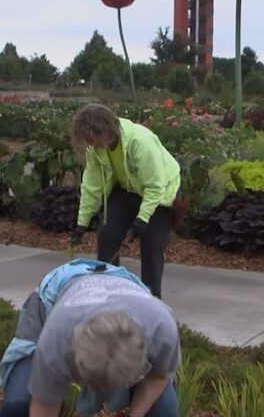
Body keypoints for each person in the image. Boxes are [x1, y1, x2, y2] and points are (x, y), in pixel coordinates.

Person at [0, 258, 180, 417]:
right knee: (17, 405)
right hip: (55, 296)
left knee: (164, 415)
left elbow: (158, 377)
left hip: (124, 287)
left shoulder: (162, 329)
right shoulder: (57, 339)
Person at [70, 104, 181, 298]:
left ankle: (152, 297)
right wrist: (82, 222)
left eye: (90, 137)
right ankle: (109, 292)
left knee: (151, 242)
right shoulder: (96, 148)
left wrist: (142, 219)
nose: (89, 143)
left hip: (160, 190)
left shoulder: (140, 141)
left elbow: (155, 186)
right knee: (107, 235)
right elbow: (91, 186)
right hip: (127, 189)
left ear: (104, 130)